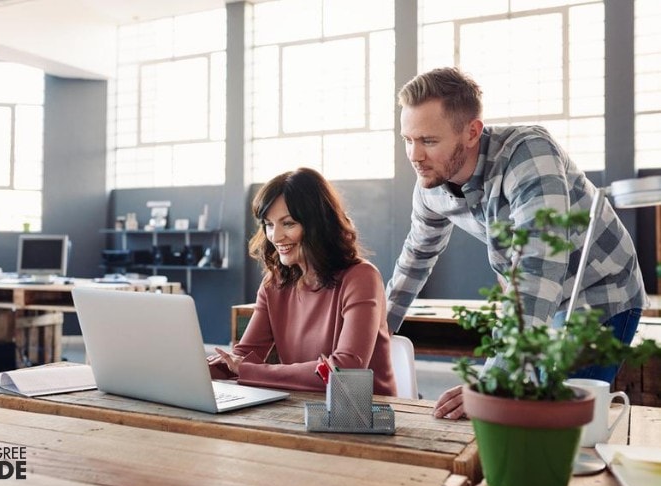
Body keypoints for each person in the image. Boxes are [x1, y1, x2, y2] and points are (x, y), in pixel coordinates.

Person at [386, 67, 647, 419]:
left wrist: (490, 380)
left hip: (599, 293)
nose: (414, 156)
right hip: (537, 302)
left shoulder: (528, 155)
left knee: (559, 417)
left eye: (428, 141)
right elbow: (415, 258)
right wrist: (377, 334)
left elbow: (538, 270)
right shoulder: (431, 186)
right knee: (520, 405)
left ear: (472, 132)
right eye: (408, 139)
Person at [209, 167, 397, 396]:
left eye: (288, 223)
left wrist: (250, 371)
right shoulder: (274, 284)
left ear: (318, 223)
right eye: (269, 224)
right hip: (303, 408)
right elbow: (244, 357)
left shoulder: (361, 278)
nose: (276, 237)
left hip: (363, 415)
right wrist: (190, 371)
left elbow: (344, 371)